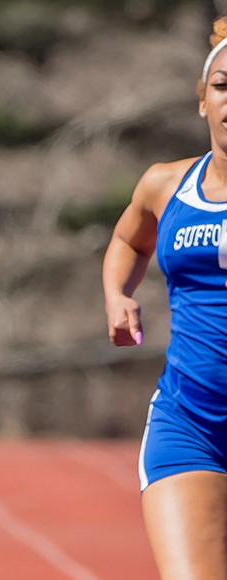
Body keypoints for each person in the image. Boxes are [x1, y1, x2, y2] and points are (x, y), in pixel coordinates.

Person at [103, 15, 227, 579]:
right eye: (223, 87)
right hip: (190, 424)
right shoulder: (166, 184)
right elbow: (129, 239)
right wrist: (117, 293)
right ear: (203, 100)